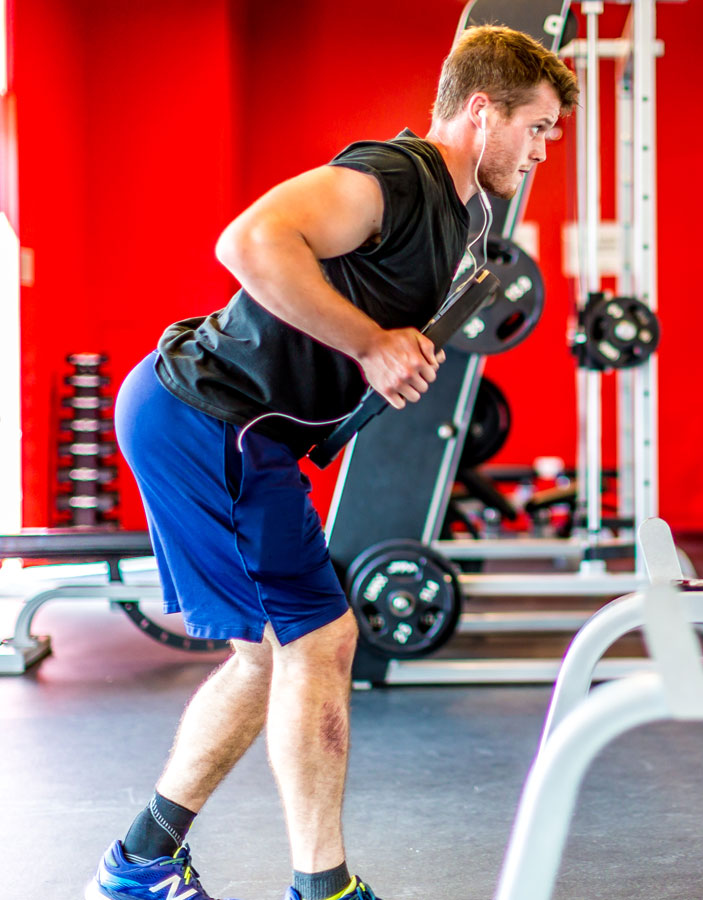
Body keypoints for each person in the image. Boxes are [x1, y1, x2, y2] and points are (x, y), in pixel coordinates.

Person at [87, 25, 577, 900]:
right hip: (210, 417)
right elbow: (249, 240)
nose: (543, 152)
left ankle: (142, 861)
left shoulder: (470, 215)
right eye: (536, 128)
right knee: (320, 637)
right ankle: (322, 887)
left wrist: (387, 360)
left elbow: (366, 321)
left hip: (238, 429)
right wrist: (372, 345)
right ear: (481, 111)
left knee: (271, 653)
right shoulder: (397, 176)